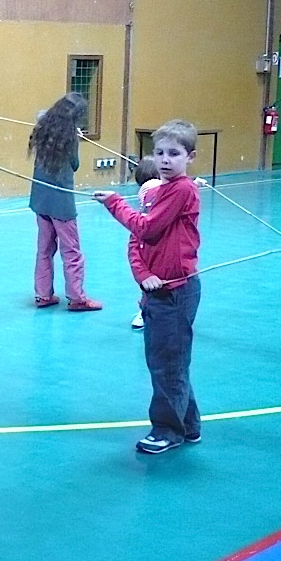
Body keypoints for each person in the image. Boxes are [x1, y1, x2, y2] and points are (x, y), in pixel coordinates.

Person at [94, 120, 202, 454]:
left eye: (174, 154)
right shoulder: (160, 192)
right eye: (159, 153)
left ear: (190, 157)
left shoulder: (181, 190)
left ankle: (168, 430)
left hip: (176, 292)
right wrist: (143, 276)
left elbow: (147, 229)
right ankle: (188, 424)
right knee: (169, 361)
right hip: (157, 291)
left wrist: (115, 203)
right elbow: (138, 242)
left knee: (168, 363)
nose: (165, 160)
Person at [28, 93, 102, 312]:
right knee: (71, 251)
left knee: (44, 249)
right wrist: (76, 139)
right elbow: (75, 165)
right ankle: (77, 298)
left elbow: (41, 115)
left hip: (40, 198)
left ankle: (43, 295)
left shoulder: (43, 128)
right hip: (61, 202)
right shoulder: (69, 137)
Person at [129, 155, 161, 329]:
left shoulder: (164, 188)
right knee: (150, 283)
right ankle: (145, 311)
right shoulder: (150, 190)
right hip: (148, 239)